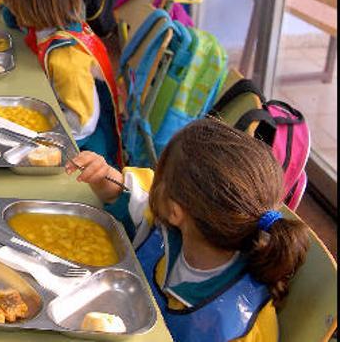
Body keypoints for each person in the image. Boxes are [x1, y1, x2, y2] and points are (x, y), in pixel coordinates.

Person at [69, 119, 310, 341]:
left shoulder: (236, 326)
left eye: (159, 181)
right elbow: (132, 201)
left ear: (175, 212)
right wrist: (104, 178)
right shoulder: (190, 227)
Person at [0, 0, 121, 165]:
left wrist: (36, 135)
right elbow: (14, 22)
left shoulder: (66, 58)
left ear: (27, 7)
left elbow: (82, 125)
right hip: (60, 110)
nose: (4, 4)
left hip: (87, 148)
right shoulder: (51, 22)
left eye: (9, 1)